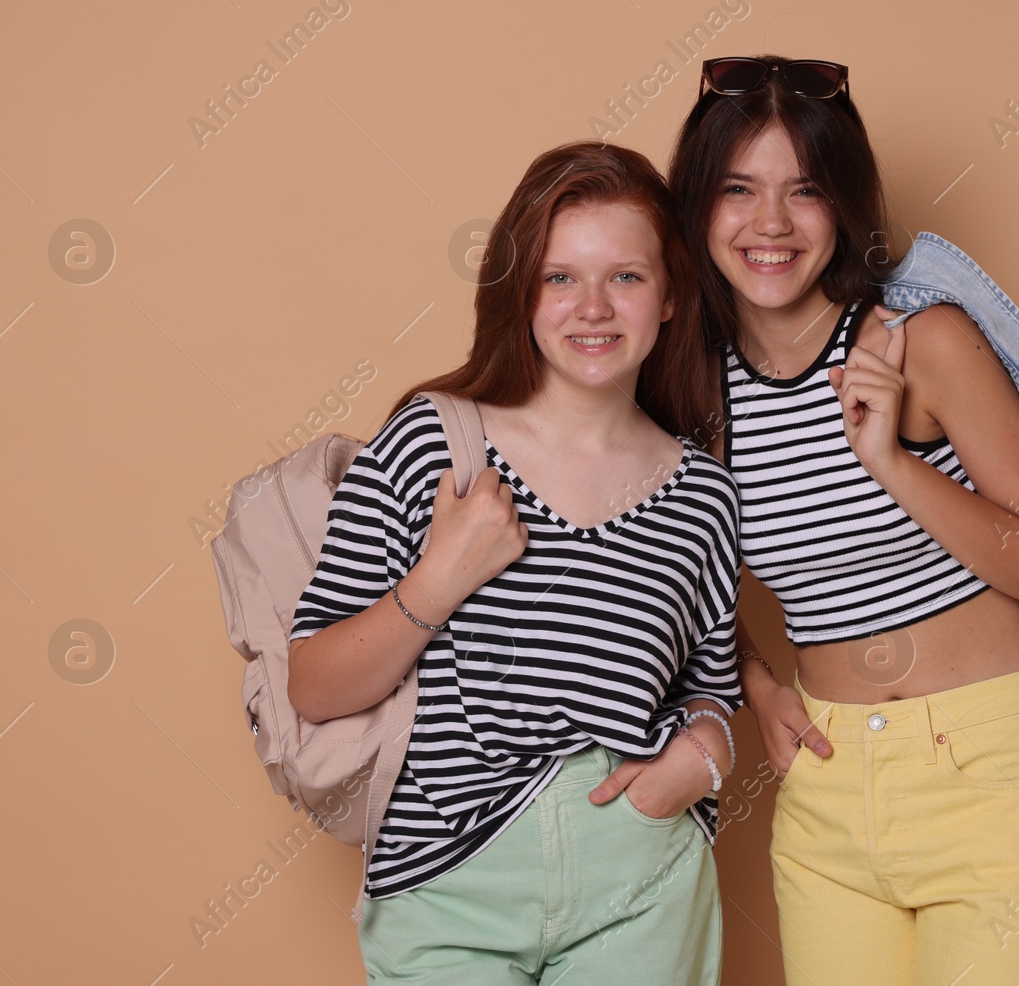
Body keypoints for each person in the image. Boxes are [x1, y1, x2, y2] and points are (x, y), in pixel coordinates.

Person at [668, 56, 1019, 984]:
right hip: (828, 793)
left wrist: (894, 465)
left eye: (806, 191)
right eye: (739, 189)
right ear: (698, 205)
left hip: (989, 780)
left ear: (846, 204)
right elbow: (670, 575)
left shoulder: (924, 343)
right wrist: (757, 683)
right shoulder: (694, 389)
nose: (771, 224)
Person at [287, 141, 743, 985]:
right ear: (521, 291)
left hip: (639, 873)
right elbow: (313, 685)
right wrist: (441, 576)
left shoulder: (703, 495)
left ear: (672, 295)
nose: (593, 308)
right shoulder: (434, 445)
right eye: (560, 276)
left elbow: (708, 686)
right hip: (445, 879)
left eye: (627, 277)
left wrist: (701, 760)